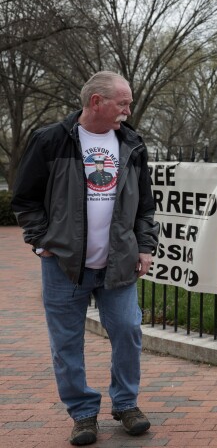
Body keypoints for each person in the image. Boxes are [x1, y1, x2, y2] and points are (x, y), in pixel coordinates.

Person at [11, 71, 159, 446]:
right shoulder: (51, 140)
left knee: (127, 330)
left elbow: (145, 206)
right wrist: (41, 240)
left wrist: (144, 246)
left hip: (118, 263)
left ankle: (126, 404)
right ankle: (82, 413)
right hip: (64, 266)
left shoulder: (132, 144)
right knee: (66, 342)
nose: (128, 110)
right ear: (97, 102)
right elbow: (25, 199)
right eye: (122, 102)